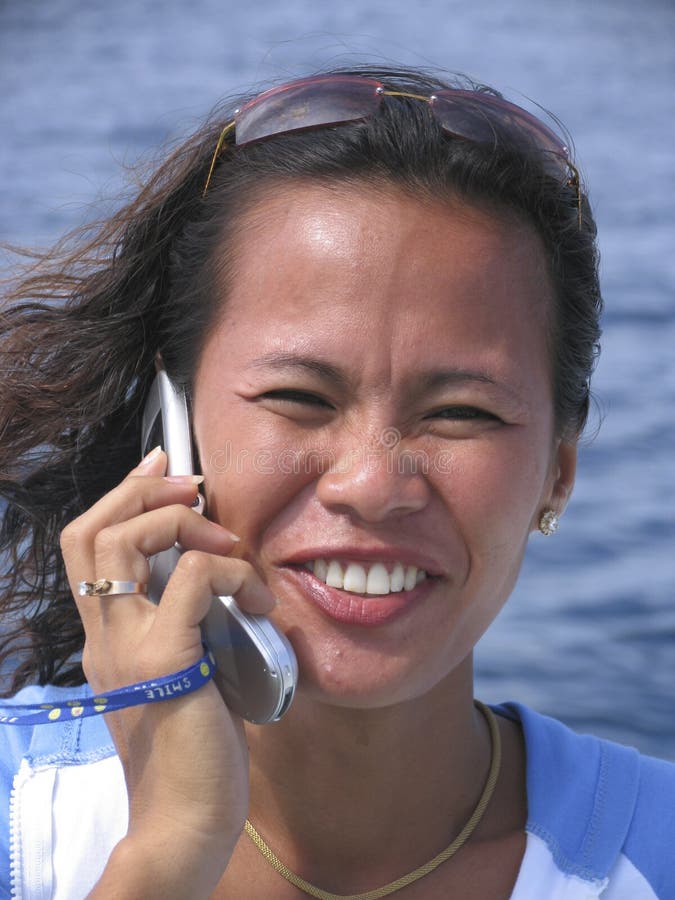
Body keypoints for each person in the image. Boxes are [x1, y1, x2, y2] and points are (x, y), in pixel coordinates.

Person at [0, 66, 673, 900]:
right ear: (170, 434)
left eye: (460, 412)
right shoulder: (20, 818)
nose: (371, 484)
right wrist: (171, 846)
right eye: (297, 398)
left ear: (556, 474)